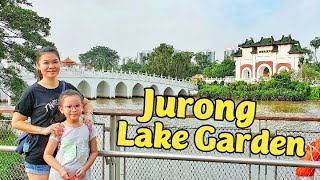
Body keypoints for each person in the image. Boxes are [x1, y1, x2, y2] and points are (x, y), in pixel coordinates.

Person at [11, 47, 93, 180]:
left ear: (60, 63)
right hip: (39, 154)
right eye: (46, 63)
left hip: (66, 158)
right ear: (38, 65)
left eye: (55, 62)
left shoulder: (67, 87)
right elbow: (16, 122)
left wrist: (88, 114)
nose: (51, 66)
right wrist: (44, 130)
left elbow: (86, 103)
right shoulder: (31, 92)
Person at [43, 89, 98, 180]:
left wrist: (84, 168)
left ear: (82, 107)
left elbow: (94, 151)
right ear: (61, 109)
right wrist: (61, 170)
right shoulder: (59, 129)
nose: (73, 110)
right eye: (69, 106)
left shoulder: (89, 128)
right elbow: (47, 155)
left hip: (82, 176)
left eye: (77, 106)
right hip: (60, 176)